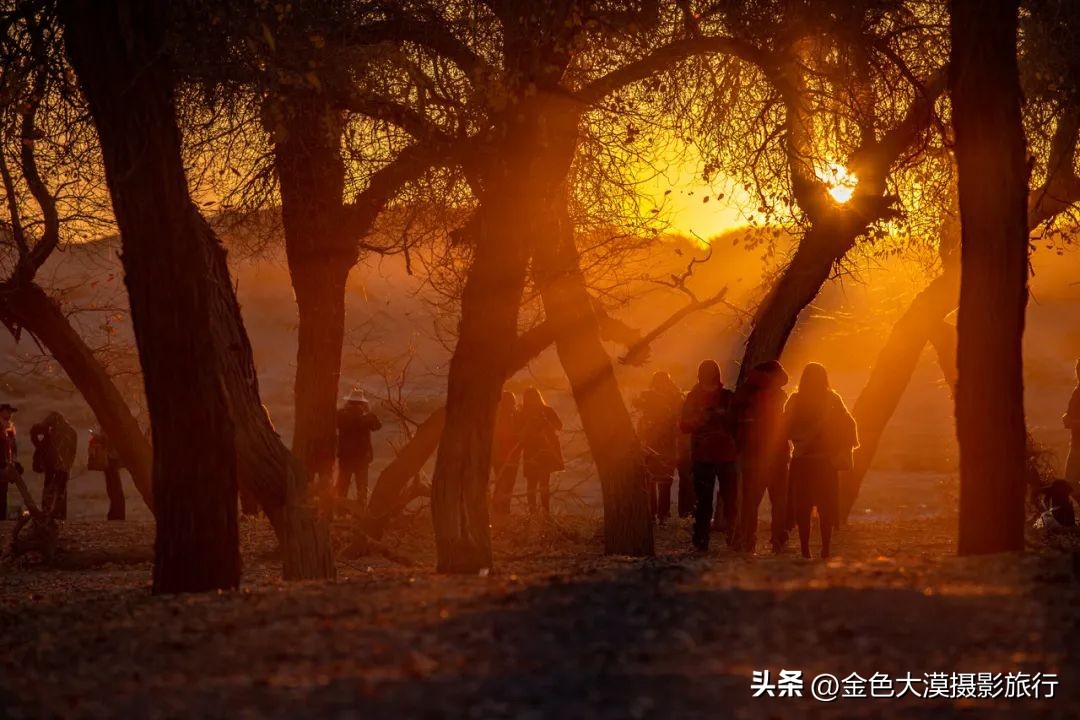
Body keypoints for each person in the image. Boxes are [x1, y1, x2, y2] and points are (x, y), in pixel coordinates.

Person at [784, 362, 858, 559]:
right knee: (817, 507)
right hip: (819, 462)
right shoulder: (827, 399)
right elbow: (849, 424)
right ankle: (819, 549)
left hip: (811, 461)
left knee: (808, 508)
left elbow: (847, 425)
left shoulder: (806, 400)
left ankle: (811, 550)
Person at [734, 360, 792, 554]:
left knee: (751, 501)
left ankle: (747, 541)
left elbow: (732, 421)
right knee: (779, 501)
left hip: (751, 456)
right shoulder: (778, 395)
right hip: (777, 455)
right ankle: (778, 540)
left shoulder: (745, 392)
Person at [680, 359, 738, 550]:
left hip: (724, 455)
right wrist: (700, 420)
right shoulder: (695, 398)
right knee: (705, 502)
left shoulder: (727, 397)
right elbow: (684, 425)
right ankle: (702, 539)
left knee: (730, 500)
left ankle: (733, 537)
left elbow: (737, 425)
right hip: (705, 456)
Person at [634, 371, 684, 525]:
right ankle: (662, 515)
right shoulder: (675, 400)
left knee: (653, 481)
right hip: (666, 446)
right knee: (663, 482)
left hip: (652, 445)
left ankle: (654, 514)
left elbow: (641, 427)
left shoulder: (648, 403)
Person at [519, 387, 564, 516]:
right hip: (533, 451)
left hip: (544, 450)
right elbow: (520, 435)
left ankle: (543, 512)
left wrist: (545, 422)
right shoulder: (524, 414)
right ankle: (536, 512)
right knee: (534, 484)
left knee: (541, 483)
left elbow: (559, 426)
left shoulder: (546, 411)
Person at [335, 388, 382, 510]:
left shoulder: (341, 415)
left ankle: (341, 512)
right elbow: (378, 426)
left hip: (345, 457)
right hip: (362, 458)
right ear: (362, 403)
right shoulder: (366, 417)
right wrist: (368, 411)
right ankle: (360, 513)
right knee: (361, 488)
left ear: (349, 401)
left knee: (342, 487)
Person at [31, 411, 77, 521]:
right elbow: (72, 452)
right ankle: (60, 516)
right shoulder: (71, 431)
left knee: (50, 490)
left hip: (53, 466)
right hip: (64, 466)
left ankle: (48, 514)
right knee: (61, 491)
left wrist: (38, 441)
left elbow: (34, 432)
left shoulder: (53, 433)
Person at [491, 391, 522, 516]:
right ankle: (500, 509)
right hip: (502, 456)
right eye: (510, 402)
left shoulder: (513, 416)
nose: (512, 404)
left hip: (509, 455)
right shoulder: (504, 417)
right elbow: (504, 436)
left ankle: (502, 509)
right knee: (504, 483)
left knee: (507, 483)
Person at [89, 430, 125, 520]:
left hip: (111, 461)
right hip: (111, 461)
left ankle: (116, 514)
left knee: (114, 489)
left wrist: (98, 437)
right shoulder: (113, 426)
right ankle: (116, 513)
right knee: (114, 489)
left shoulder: (111, 428)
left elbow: (108, 441)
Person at [1063, 359, 1080, 492]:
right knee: (1070, 484)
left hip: (1077, 447)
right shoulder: (1076, 392)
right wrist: (1067, 419)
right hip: (1075, 444)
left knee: (1070, 484)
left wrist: (1071, 422)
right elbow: (1069, 414)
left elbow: (1070, 419)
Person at [0, 403, 17, 519]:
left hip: (5, 465)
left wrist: (13, 462)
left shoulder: (9, 428)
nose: (10, 414)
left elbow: (11, 448)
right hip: (1, 465)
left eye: (11, 412)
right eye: (7, 411)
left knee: (3, 492)